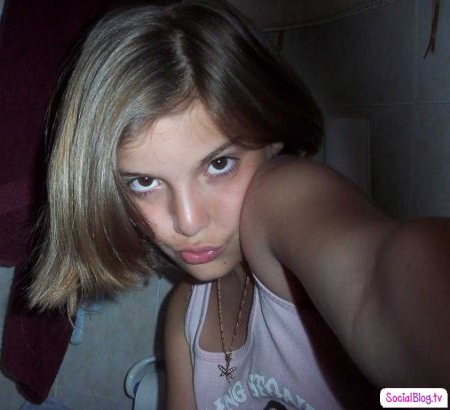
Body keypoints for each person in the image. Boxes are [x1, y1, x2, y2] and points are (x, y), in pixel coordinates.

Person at [27, 1, 450, 408]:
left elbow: (380, 278)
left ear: (273, 140)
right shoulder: (184, 314)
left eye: (219, 164)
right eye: (145, 182)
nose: (188, 222)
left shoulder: (278, 199)